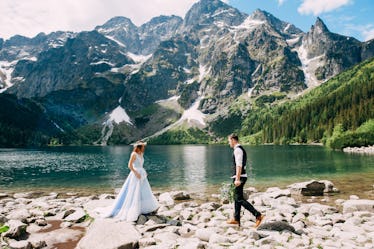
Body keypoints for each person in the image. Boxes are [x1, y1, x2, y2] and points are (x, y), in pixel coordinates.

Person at [102, 140, 159, 222]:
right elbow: (129, 165)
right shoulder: (134, 154)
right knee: (134, 192)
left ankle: (143, 208)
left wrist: (143, 172)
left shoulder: (141, 154)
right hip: (135, 175)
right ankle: (134, 208)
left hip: (142, 175)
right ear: (139, 147)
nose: (144, 148)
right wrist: (136, 173)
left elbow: (140, 165)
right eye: (143, 146)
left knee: (144, 191)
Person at [226, 133, 264, 228]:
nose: (229, 143)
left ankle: (258, 215)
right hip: (239, 176)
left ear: (233, 140)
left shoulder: (238, 150)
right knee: (236, 198)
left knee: (239, 199)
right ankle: (236, 220)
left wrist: (237, 179)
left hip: (240, 177)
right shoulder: (238, 149)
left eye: (229, 141)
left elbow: (239, 165)